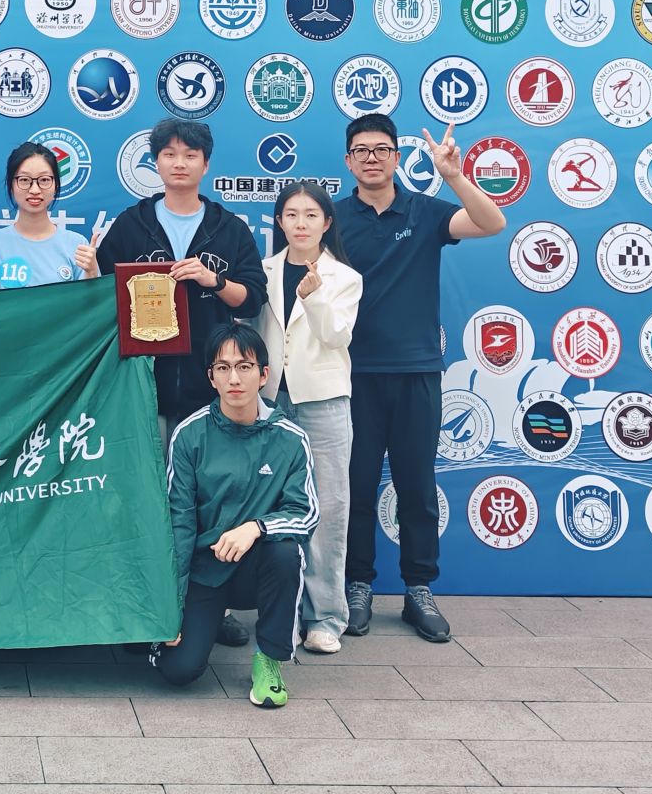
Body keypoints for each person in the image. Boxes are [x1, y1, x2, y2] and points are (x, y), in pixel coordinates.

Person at [336, 113, 506, 645]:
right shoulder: (331, 218)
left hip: (416, 371)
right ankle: (356, 586)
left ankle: (418, 589)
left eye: (381, 149)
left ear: (395, 156)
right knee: (356, 487)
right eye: (361, 150)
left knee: (417, 486)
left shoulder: (425, 211)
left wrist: (454, 176)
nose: (371, 158)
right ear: (348, 160)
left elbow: (492, 223)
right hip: (352, 375)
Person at [96, 118, 267, 648]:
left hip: (206, 390)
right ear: (155, 163)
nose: (179, 162)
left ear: (205, 164)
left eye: (189, 154)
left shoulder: (228, 228)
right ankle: (144, 601)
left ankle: (211, 606)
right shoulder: (132, 225)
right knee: (142, 498)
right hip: (140, 388)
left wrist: (214, 280)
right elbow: (101, 297)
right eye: (168, 154)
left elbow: (253, 297)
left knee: (208, 500)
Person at [153, 320, 317, 708]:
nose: (234, 378)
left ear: (263, 374)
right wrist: (168, 608)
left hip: (256, 568)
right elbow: (178, 523)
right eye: (223, 368)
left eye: (244, 366)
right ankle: (197, 627)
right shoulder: (189, 435)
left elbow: (306, 513)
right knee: (179, 671)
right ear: (211, 377)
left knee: (286, 552)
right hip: (205, 571)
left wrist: (257, 527)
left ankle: (270, 660)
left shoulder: (290, 438)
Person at [257, 179, 363, 656]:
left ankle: (325, 617)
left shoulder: (344, 277)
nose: (301, 224)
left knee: (329, 507)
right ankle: (279, 613)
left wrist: (315, 295)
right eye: (292, 215)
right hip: (269, 400)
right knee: (268, 503)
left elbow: (337, 337)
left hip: (323, 401)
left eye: (311, 215)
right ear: (279, 222)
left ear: (327, 222)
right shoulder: (263, 270)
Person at [0, 141, 100, 288]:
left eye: (44, 180)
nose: (35, 190)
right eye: (24, 180)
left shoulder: (77, 245)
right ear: (11, 185)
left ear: (56, 185)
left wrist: (92, 273)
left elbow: (91, 301)